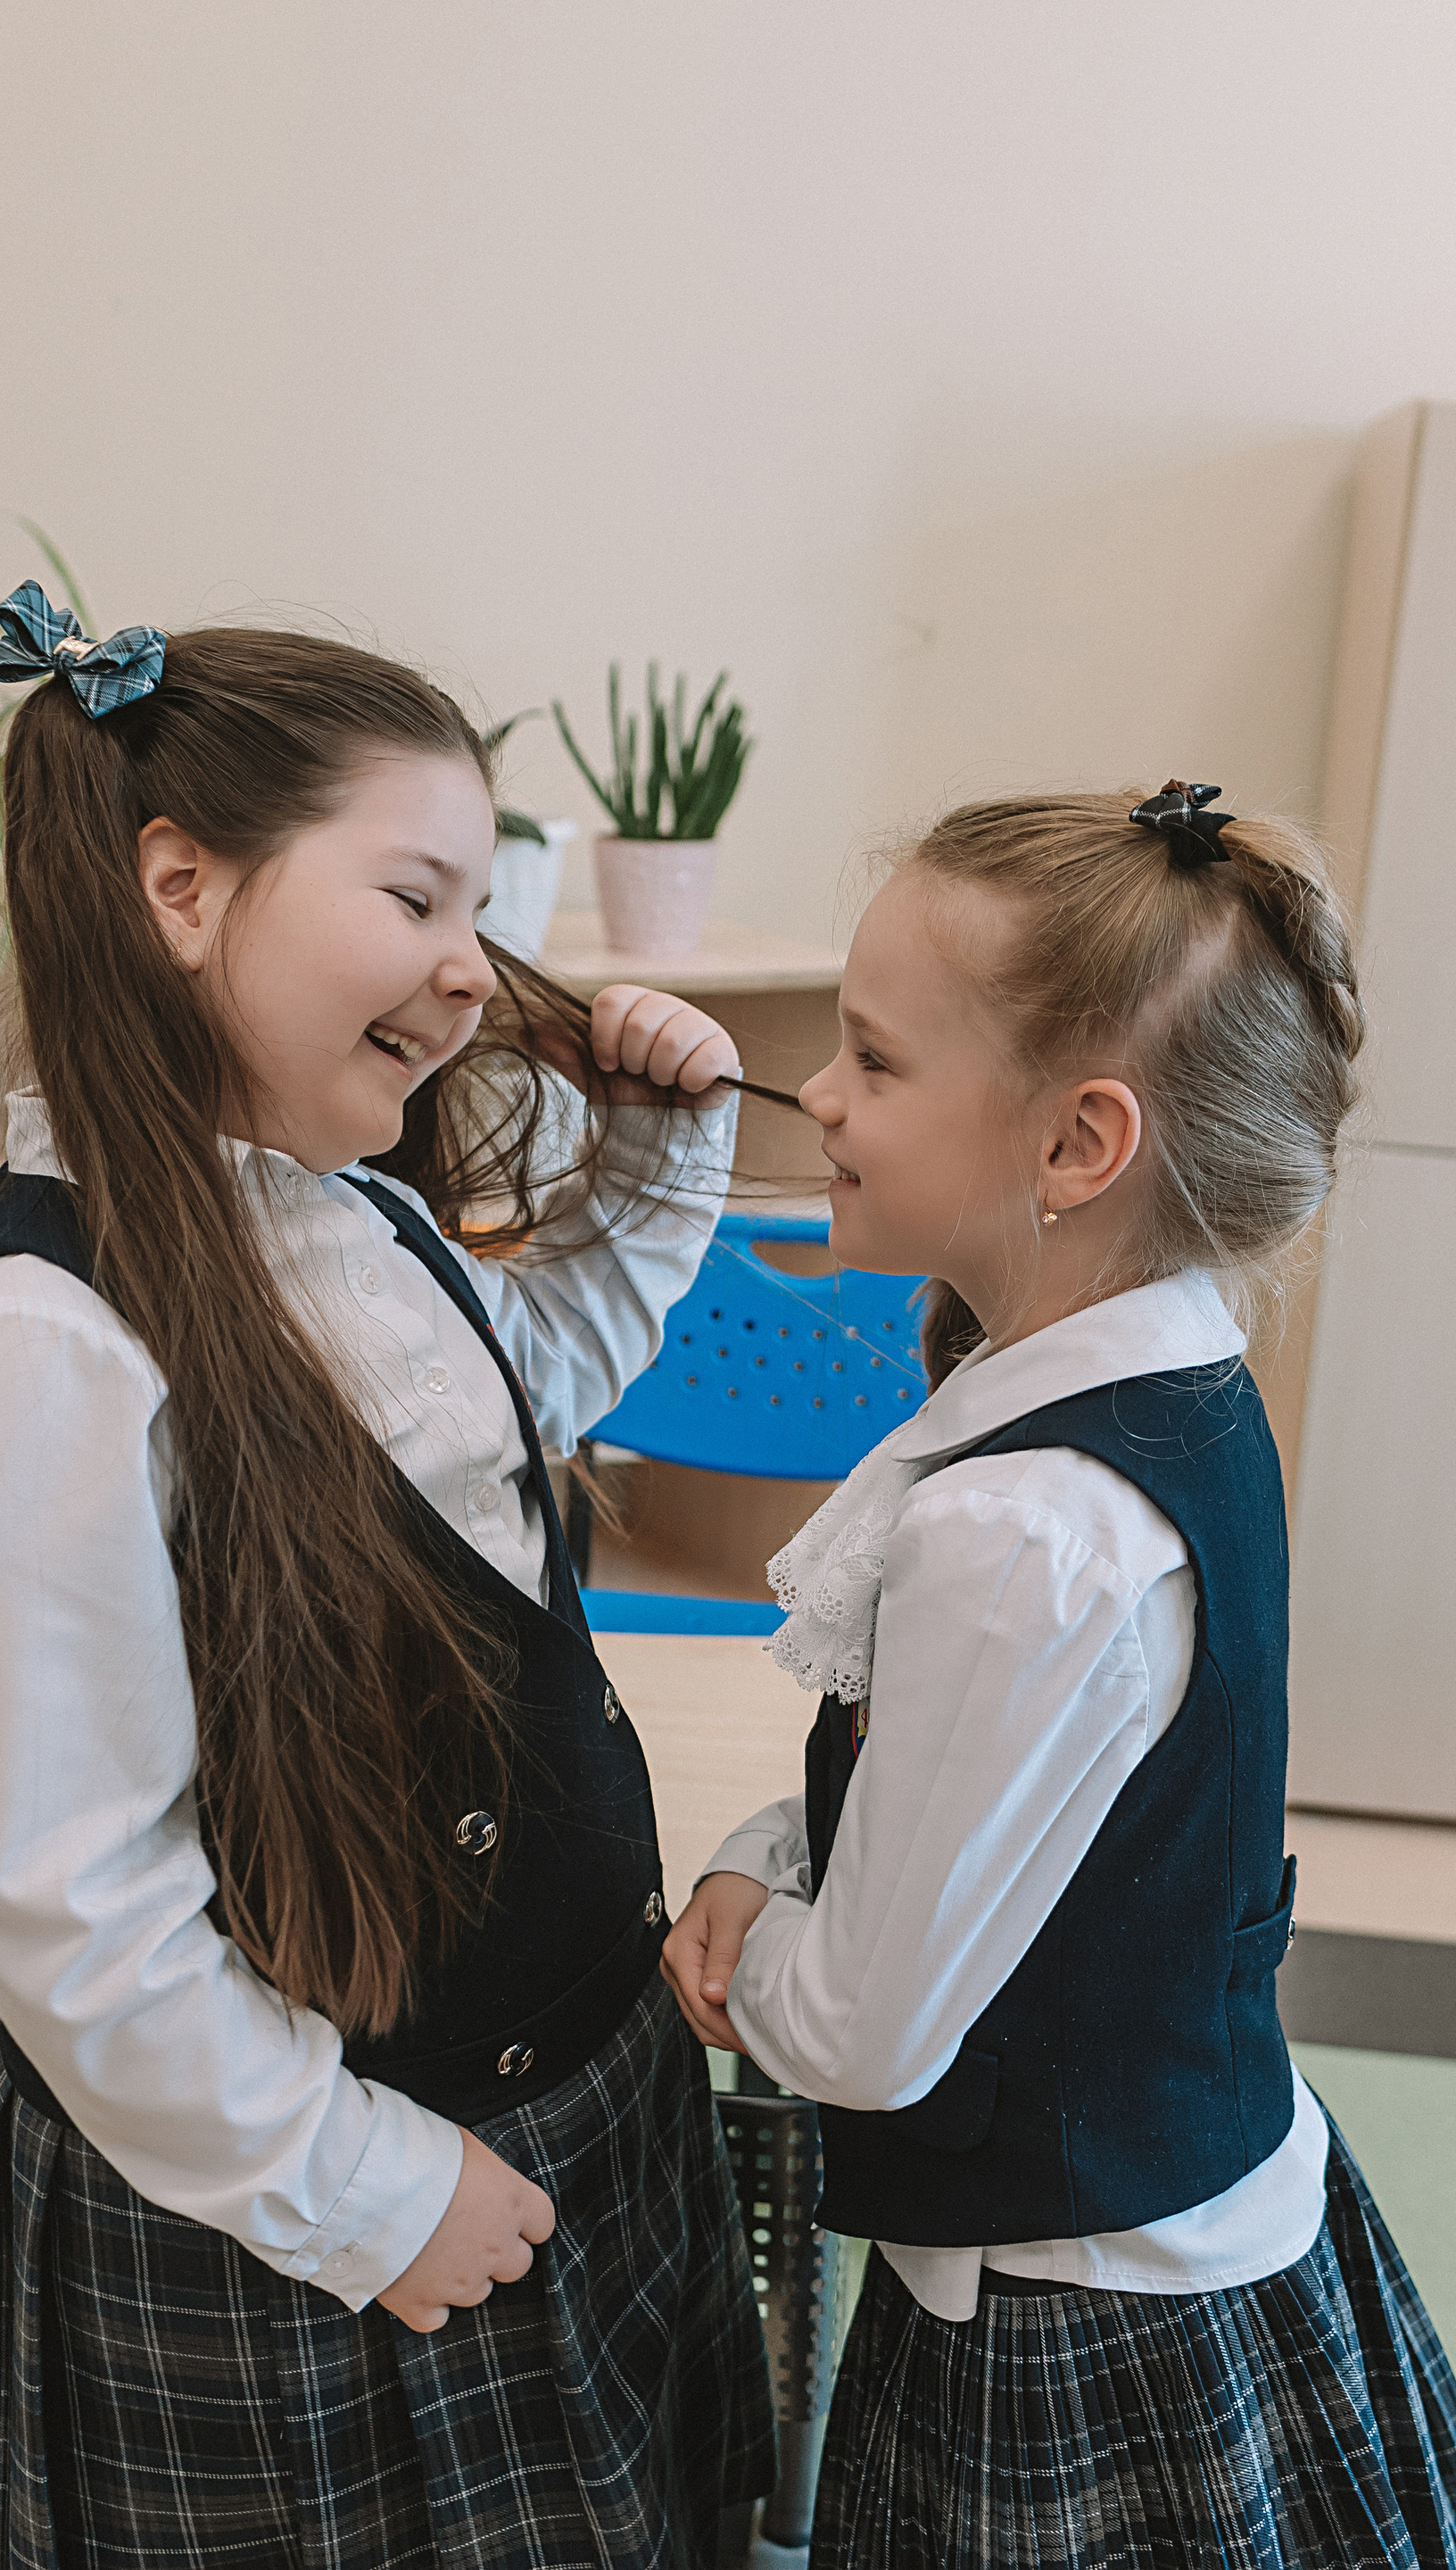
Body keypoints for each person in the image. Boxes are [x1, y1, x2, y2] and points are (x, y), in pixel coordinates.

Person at [0, 584, 774, 2570]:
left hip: (569, 2115)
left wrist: (659, 1160)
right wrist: (370, 2191)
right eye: (416, 896)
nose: (472, 969)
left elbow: (496, 1418)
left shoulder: (345, 1215)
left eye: (478, 908)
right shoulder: (35, 1363)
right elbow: (77, 1922)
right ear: (181, 888)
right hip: (314, 2218)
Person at [662, 783, 1456, 2567]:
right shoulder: (1173, 1367)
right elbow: (1011, 1816)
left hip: (1068, 2312)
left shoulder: (1023, 1533)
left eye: (874, 1059)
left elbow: (861, 2035)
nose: (822, 1096)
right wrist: (774, 1849)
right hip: (1207, 2196)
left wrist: (747, 1931)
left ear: (1079, 1144)